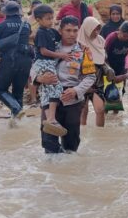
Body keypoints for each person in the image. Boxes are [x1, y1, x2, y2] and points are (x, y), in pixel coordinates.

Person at [34, 16, 97, 154]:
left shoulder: (84, 51)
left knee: (71, 142)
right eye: (68, 30)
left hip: (72, 100)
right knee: (48, 141)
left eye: (75, 30)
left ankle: (69, 170)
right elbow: (33, 69)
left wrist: (76, 90)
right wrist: (39, 78)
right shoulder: (48, 48)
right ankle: (51, 171)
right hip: (48, 98)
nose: (72, 34)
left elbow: (90, 76)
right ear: (60, 30)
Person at [30, 4, 69, 137]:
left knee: (46, 92)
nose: (51, 21)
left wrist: (60, 28)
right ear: (39, 20)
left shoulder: (50, 31)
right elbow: (43, 51)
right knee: (56, 87)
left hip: (48, 63)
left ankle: (48, 120)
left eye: (52, 18)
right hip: (44, 63)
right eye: (47, 19)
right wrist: (61, 55)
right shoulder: (41, 32)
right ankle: (52, 119)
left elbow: (59, 38)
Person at [77, 16, 109, 127]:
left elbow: (104, 59)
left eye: (98, 29)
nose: (96, 32)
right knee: (82, 112)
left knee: (100, 110)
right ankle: (82, 136)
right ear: (86, 29)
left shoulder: (100, 40)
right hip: (81, 82)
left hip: (98, 81)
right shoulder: (78, 44)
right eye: (93, 29)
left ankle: (100, 137)